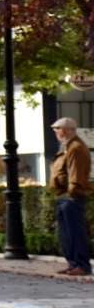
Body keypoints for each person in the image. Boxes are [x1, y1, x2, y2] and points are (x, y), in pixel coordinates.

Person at [49, 117, 91, 276]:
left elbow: (76, 175)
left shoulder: (76, 148)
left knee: (75, 232)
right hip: (64, 196)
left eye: (56, 130)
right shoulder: (67, 147)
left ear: (65, 130)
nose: (55, 133)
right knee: (67, 234)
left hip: (71, 197)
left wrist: (71, 194)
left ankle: (81, 265)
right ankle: (73, 264)